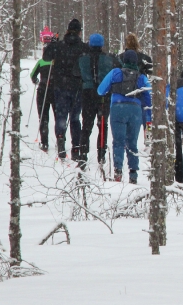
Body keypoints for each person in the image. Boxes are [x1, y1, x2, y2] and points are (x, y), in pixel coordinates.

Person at [97, 50, 152, 183]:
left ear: (124, 61)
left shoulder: (115, 72)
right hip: (135, 110)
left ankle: (118, 171)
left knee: (118, 142)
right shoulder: (142, 77)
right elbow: (148, 99)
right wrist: (148, 117)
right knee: (132, 143)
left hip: (118, 108)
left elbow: (100, 90)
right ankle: (133, 174)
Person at [44, 19, 88, 160]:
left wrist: (53, 43)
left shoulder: (59, 46)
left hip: (61, 86)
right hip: (76, 87)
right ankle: (75, 147)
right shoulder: (83, 47)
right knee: (75, 118)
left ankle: (61, 139)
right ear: (80, 31)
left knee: (61, 116)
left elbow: (46, 57)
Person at [78, 33, 116, 169]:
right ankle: (101, 154)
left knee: (86, 124)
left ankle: (83, 154)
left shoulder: (82, 59)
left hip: (87, 93)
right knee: (102, 124)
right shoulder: (108, 59)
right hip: (103, 94)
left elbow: (77, 73)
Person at [30, 28, 58, 151]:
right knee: (58, 117)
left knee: (43, 117)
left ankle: (44, 142)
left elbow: (32, 76)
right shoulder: (56, 62)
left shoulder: (41, 62)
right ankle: (60, 139)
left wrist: (37, 81)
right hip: (55, 91)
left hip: (42, 91)